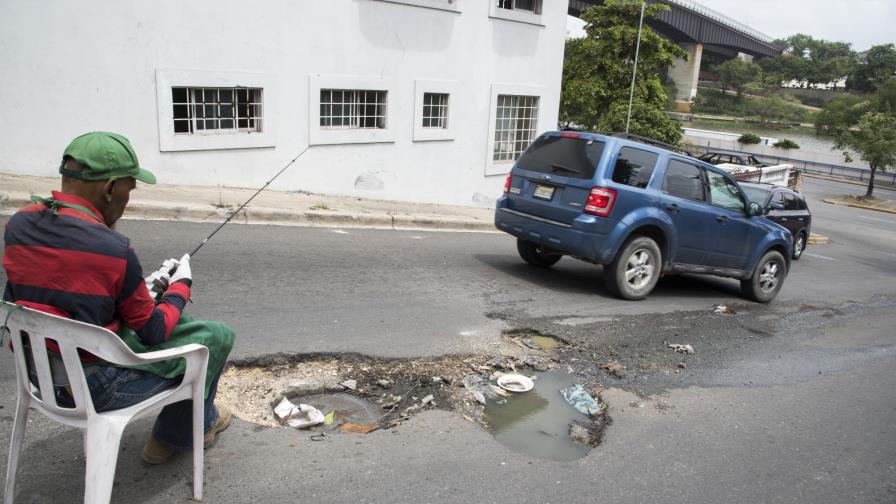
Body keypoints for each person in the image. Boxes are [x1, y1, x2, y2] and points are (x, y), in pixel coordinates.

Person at [2, 131, 235, 464]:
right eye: (129, 189)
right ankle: (174, 436)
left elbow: (65, 290)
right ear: (110, 188)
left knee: (180, 323)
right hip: (98, 386)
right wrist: (180, 286)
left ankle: (197, 420)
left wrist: (142, 289)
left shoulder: (19, 225)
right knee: (216, 337)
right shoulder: (113, 248)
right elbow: (153, 331)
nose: (127, 202)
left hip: (38, 377)